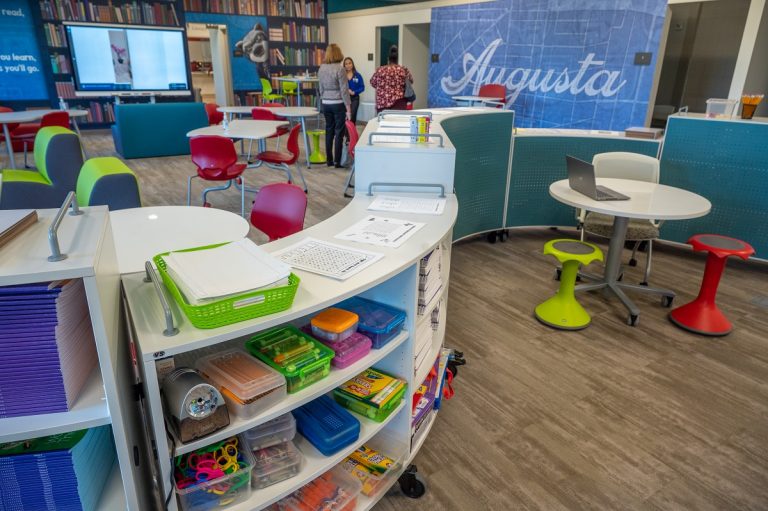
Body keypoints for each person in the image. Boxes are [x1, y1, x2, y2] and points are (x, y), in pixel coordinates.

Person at [318, 43, 351, 168]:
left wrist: (324, 98)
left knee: (329, 131)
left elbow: (320, 88)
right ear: (339, 53)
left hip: (326, 103)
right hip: (338, 104)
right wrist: (348, 109)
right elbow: (344, 90)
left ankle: (329, 160)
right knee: (339, 133)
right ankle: (337, 161)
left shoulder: (322, 68)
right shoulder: (340, 69)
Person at [370, 45, 413, 113]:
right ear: (397, 59)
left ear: (388, 59)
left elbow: (372, 82)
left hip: (382, 104)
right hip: (399, 103)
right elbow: (411, 81)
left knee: (383, 123)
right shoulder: (403, 69)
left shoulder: (380, 70)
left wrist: (383, 88)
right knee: (398, 123)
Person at [344, 57, 364, 128]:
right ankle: (346, 136)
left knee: (352, 116)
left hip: (354, 98)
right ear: (344, 66)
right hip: (344, 99)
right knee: (345, 117)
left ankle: (351, 136)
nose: (348, 65)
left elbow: (362, 87)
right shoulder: (342, 76)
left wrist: (354, 92)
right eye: (346, 64)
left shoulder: (358, 75)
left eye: (349, 63)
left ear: (352, 64)